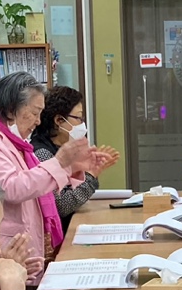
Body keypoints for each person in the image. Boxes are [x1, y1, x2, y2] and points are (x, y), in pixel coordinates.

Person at [0, 72, 111, 284]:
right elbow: (12, 187)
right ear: (11, 109)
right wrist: (60, 162)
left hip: (18, 247)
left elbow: (37, 182)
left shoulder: (11, 138)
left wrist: (73, 167)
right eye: (35, 113)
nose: (38, 121)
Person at [30, 85, 121, 229]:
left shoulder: (63, 149)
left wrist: (88, 171)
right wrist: (91, 176)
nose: (82, 124)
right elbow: (62, 206)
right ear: (59, 120)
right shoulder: (42, 153)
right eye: (79, 118)